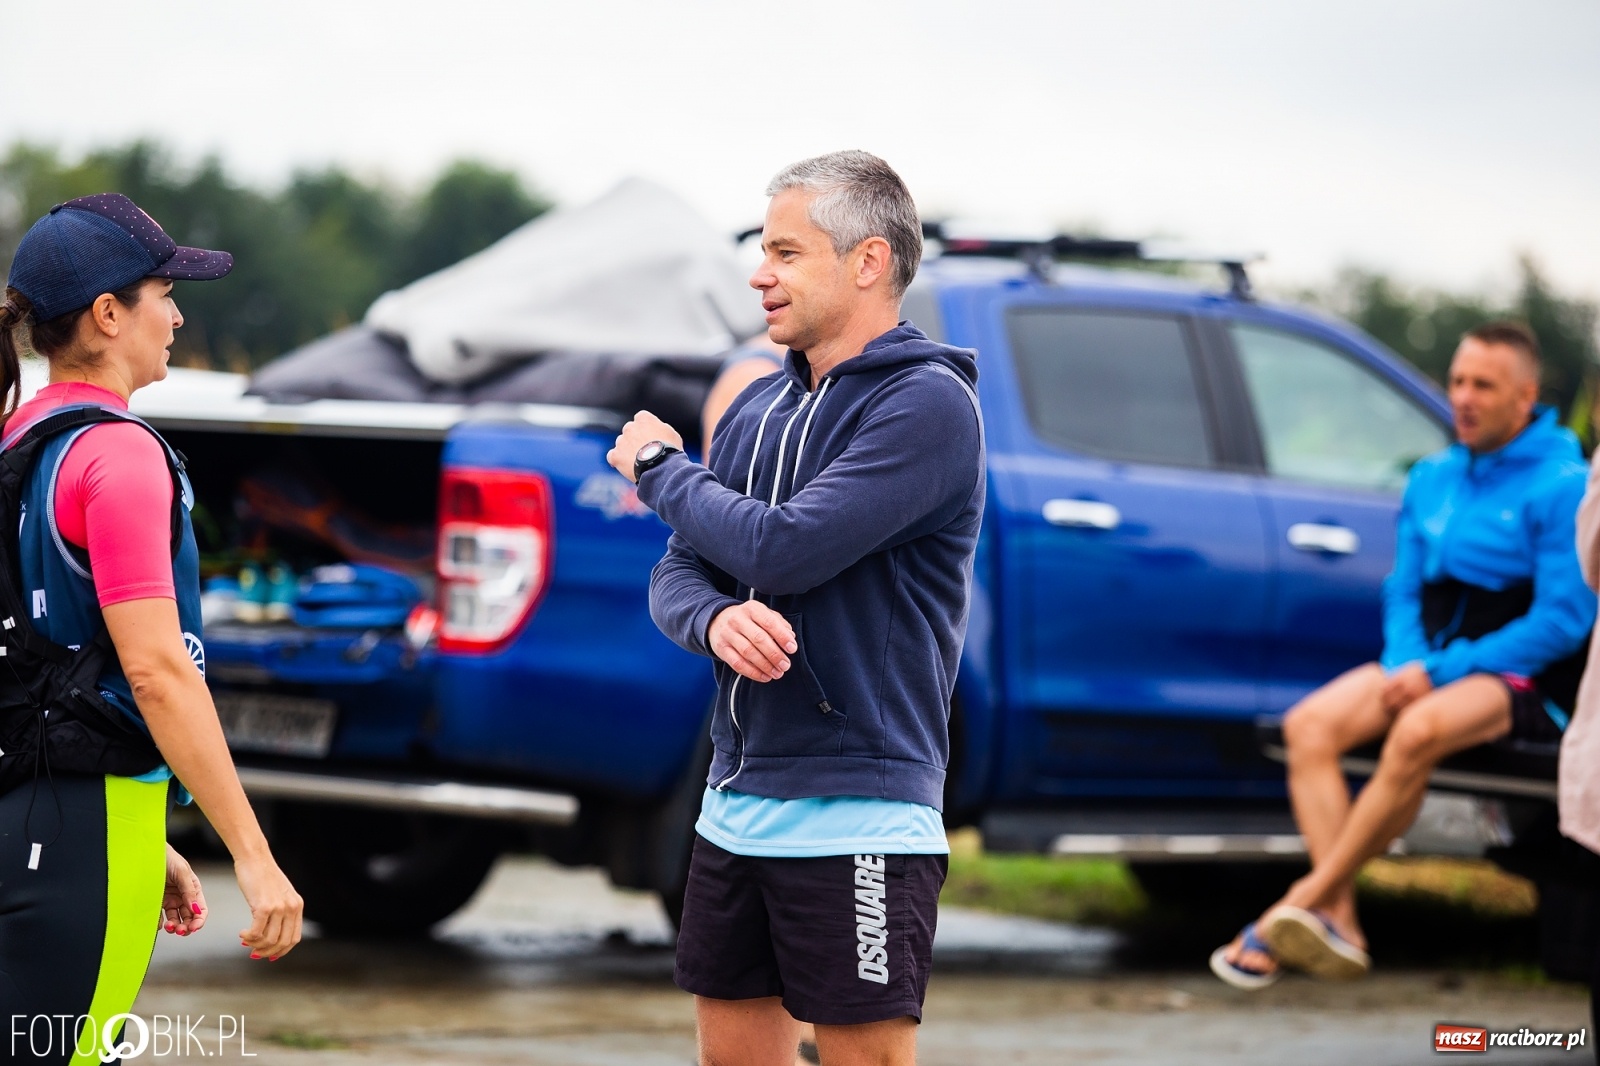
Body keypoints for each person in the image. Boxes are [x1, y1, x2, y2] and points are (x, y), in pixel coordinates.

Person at [605, 151, 983, 1066]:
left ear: (868, 261)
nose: (758, 273)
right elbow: (679, 575)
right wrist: (713, 621)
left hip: (861, 808)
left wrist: (661, 470)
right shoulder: (758, 409)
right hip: (734, 800)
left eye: (786, 251)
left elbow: (786, 549)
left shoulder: (926, 406)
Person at [0, 194, 303, 1063]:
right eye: (163, 293)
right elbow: (157, 672)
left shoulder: (17, 440)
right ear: (106, 315)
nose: (176, 315)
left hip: (41, 816)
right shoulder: (119, 453)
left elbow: (35, 669)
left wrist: (146, 836)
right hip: (80, 837)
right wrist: (250, 851)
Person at [1211, 320, 1595, 989]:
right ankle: (1342, 923)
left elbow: (1563, 621)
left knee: (1416, 728)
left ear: (1525, 395)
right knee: (1310, 726)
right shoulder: (1432, 477)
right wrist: (1405, 662)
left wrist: (1436, 673)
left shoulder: (1562, 481)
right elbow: (1403, 589)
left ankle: (1294, 906)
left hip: (1521, 676)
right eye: (1457, 381)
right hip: (1426, 662)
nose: (1464, 397)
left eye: (1485, 385)